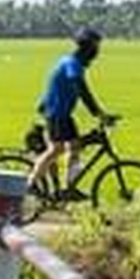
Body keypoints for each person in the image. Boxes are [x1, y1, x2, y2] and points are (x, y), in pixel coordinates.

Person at [32, 26, 115, 193]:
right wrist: (98, 113)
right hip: (56, 113)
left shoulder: (72, 63)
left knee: (75, 146)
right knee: (57, 149)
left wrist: (99, 113)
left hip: (63, 114)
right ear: (87, 48)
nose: (97, 52)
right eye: (95, 47)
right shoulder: (72, 64)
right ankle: (31, 183)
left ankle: (70, 187)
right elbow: (82, 90)